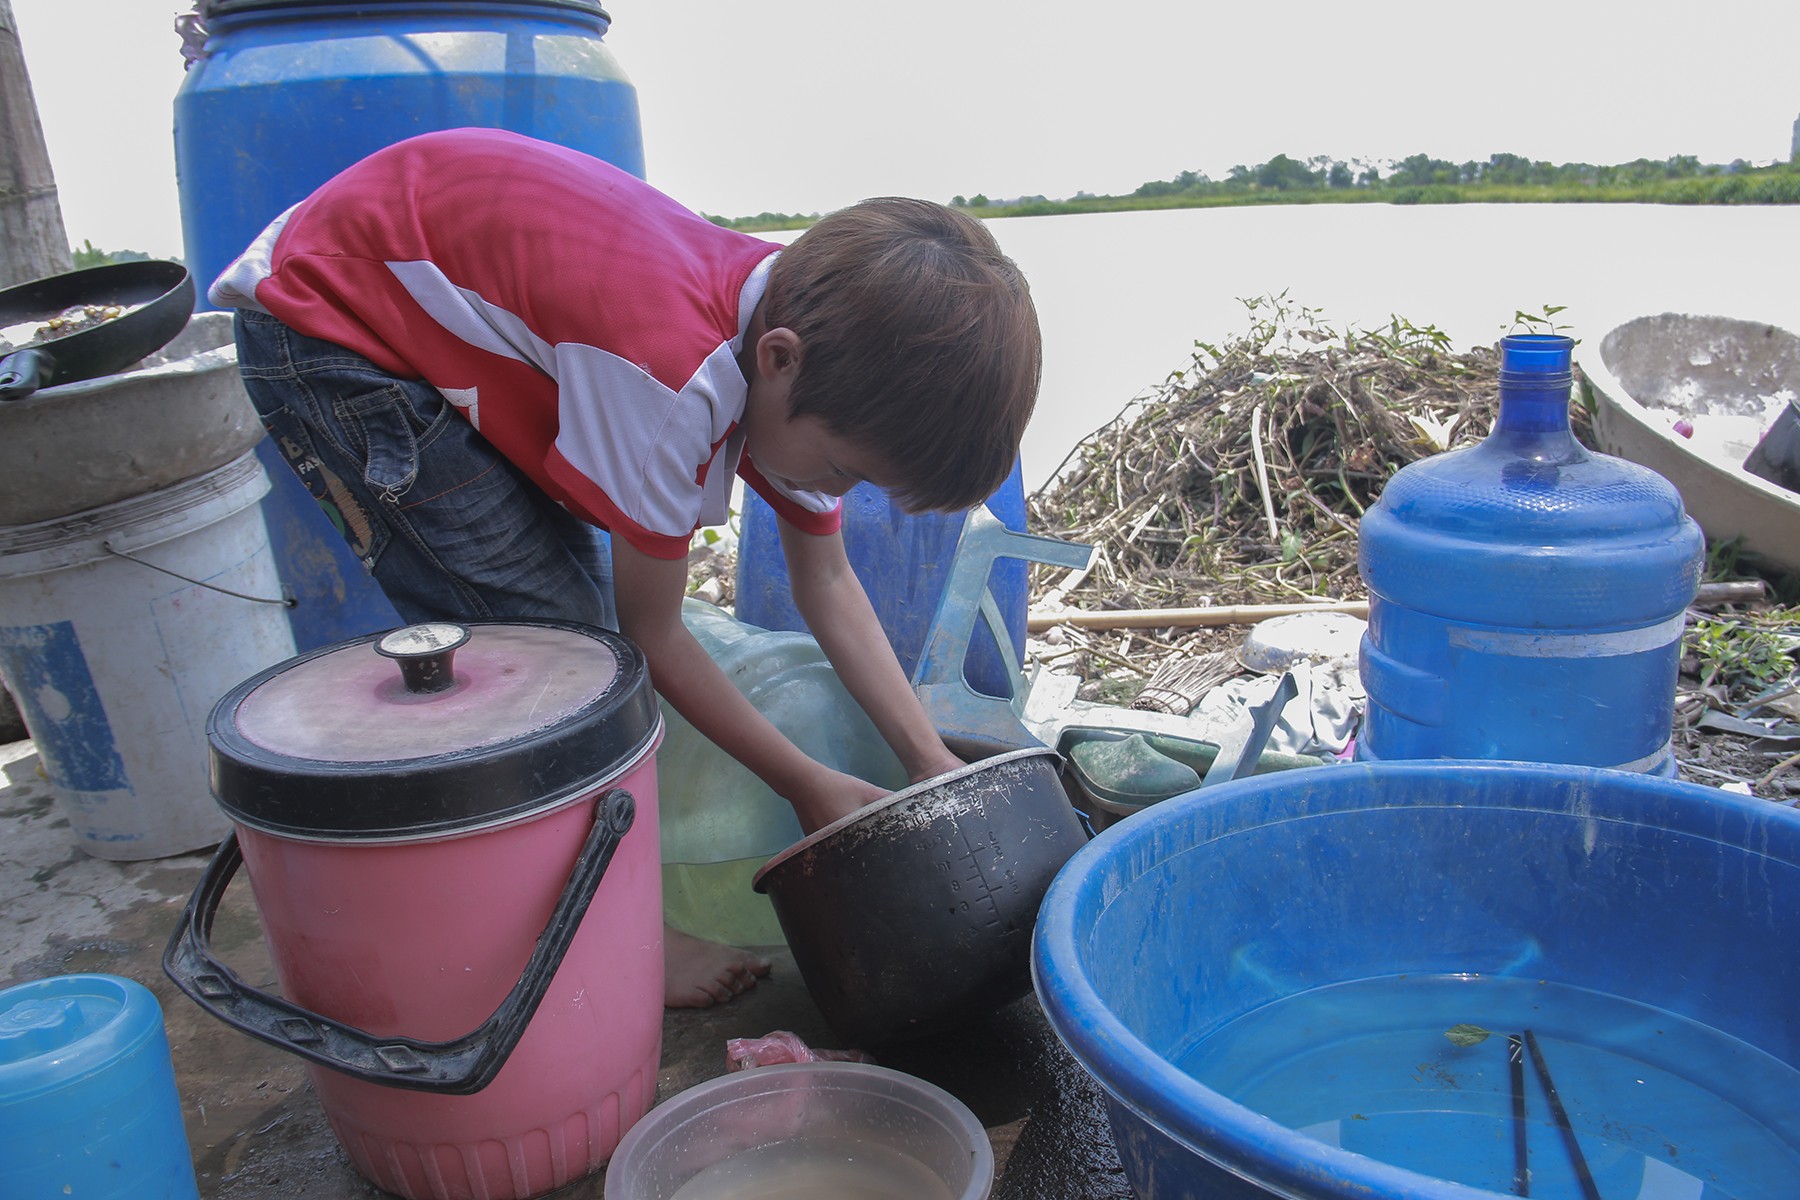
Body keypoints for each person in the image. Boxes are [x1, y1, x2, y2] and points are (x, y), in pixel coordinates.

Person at [209, 127, 1042, 1008]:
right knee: (558, 670)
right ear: (779, 358)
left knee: (571, 634)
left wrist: (926, 757)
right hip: (330, 328)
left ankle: (591, 892)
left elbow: (827, 580)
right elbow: (655, 633)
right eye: (842, 471)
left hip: (415, 294)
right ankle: (608, 929)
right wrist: (804, 783)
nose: (833, 491)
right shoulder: (674, 383)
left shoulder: (809, 337)